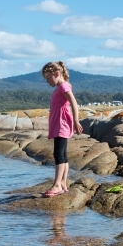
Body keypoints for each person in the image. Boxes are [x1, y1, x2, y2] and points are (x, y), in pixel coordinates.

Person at [42, 61, 83, 197]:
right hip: (59, 124)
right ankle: (63, 183)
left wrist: (76, 120)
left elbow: (74, 102)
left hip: (62, 124)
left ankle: (57, 185)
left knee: (58, 154)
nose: (47, 81)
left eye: (48, 78)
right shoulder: (60, 87)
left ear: (57, 73)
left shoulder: (63, 86)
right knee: (63, 155)